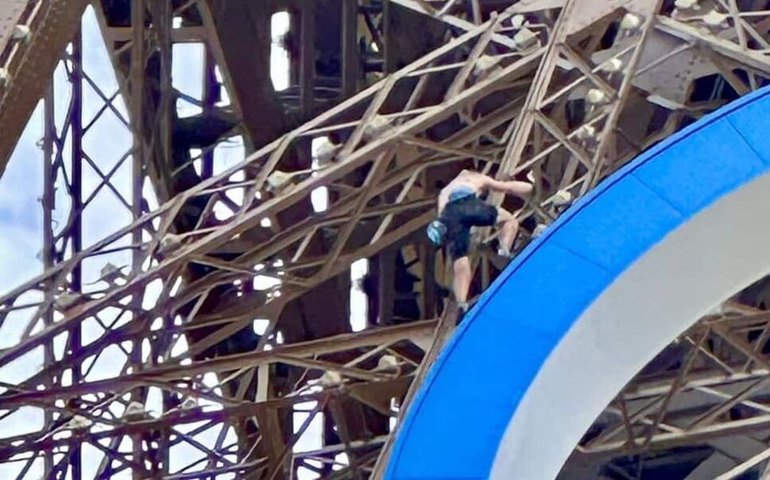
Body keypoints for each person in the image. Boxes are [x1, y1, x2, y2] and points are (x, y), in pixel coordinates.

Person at [426, 169, 533, 313]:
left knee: (460, 261)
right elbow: (508, 187)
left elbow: (441, 214)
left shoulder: (446, 190)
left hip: (449, 215)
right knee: (509, 220)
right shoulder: (476, 178)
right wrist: (532, 188)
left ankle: (461, 303)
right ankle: (504, 249)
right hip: (469, 203)